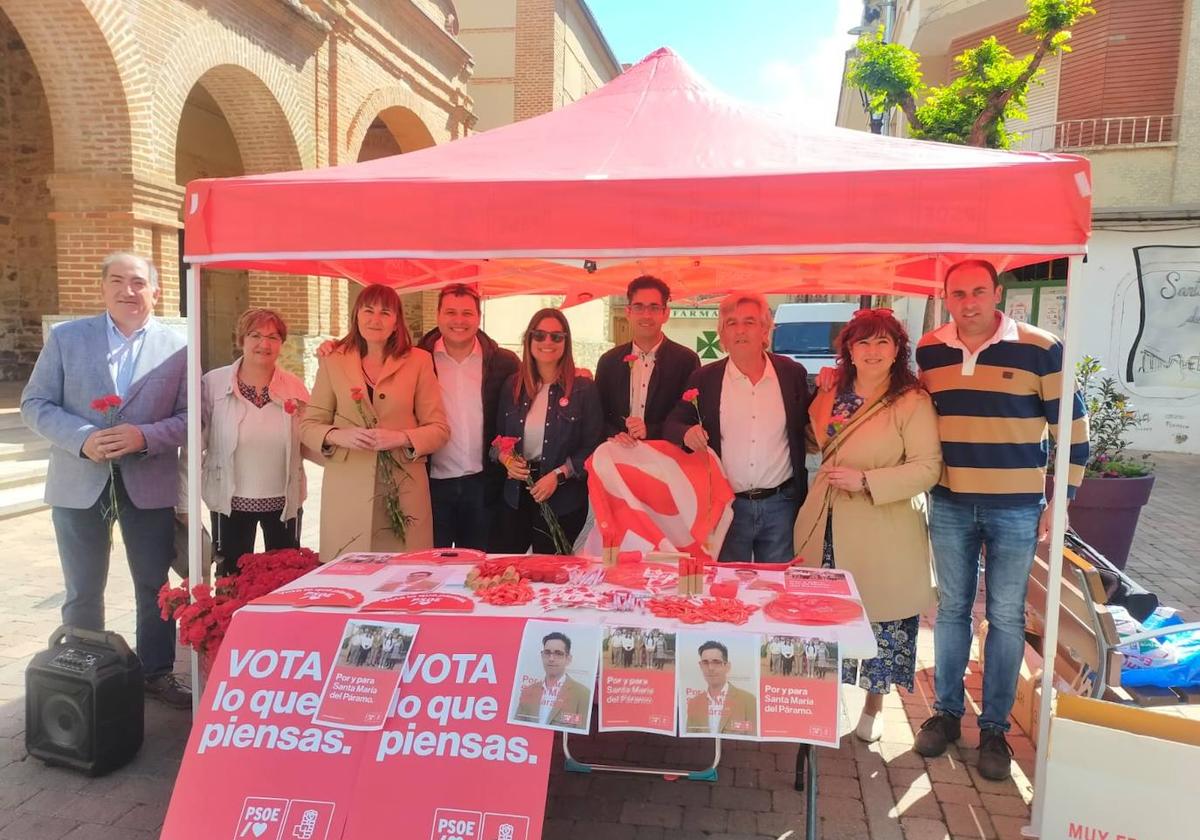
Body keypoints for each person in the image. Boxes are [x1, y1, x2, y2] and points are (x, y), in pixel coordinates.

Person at [21, 253, 190, 708]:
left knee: (154, 583)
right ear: (102, 289)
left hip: (148, 483)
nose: (127, 291)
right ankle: (83, 672)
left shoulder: (178, 348)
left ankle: (156, 672)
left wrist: (144, 436)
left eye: (138, 282)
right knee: (82, 585)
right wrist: (82, 439)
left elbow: (191, 417)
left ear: (156, 292)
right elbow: (35, 403)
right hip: (79, 483)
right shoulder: (66, 339)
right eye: (117, 281)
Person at [793, 308, 942, 743]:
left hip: (884, 524)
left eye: (883, 342)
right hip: (827, 519)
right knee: (822, 614)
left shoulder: (911, 400)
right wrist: (817, 396)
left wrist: (867, 480)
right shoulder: (832, 391)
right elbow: (812, 437)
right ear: (849, 350)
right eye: (864, 342)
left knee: (880, 617)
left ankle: (873, 706)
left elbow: (928, 467)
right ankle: (819, 699)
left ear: (898, 350)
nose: (873, 351)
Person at [301, 284, 449, 561]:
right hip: (347, 493)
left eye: (385, 312)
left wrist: (403, 437)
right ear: (356, 315)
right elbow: (309, 425)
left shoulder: (419, 361)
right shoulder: (333, 360)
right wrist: (336, 435)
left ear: (397, 321)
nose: (375, 319)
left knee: (404, 580)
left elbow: (439, 430)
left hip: (403, 493)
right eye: (368, 311)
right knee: (349, 582)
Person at [664, 292, 811, 563]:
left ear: (765, 329)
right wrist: (686, 433)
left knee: (776, 587)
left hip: (781, 504)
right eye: (731, 323)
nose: (740, 330)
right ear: (722, 333)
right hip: (727, 505)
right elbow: (672, 423)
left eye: (749, 322)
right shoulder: (705, 378)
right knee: (727, 588)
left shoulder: (792, 374)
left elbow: (811, 421)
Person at [201, 308, 314, 576]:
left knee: (285, 575)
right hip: (230, 500)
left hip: (284, 499)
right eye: (255, 335)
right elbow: (196, 441)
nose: (264, 344)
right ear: (241, 339)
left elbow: (309, 440)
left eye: (273, 337)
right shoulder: (213, 383)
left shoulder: (294, 387)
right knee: (231, 578)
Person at [416, 284, 520, 549]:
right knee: (431, 570)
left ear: (478, 317)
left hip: (483, 488)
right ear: (438, 315)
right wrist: (336, 347)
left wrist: (575, 374)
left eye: (467, 313)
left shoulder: (504, 363)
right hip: (430, 487)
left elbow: (534, 384)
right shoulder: (416, 360)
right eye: (451, 312)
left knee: (479, 571)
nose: (459, 321)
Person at [491, 308, 602, 553]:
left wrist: (559, 475)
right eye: (539, 335)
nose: (547, 342)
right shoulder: (513, 385)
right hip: (515, 497)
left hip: (563, 498)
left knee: (552, 574)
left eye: (556, 336)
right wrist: (505, 458)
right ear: (529, 340)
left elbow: (593, 449)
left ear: (566, 342)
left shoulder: (583, 389)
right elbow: (497, 441)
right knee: (511, 570)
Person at [594, 275, 700, 445]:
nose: (646, 315)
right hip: (619, 456)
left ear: (665, 313)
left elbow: (690, 416)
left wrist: (650, 431)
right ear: (628, 312)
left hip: (666, 459)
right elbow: (597, 415)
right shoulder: (609, 362)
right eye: (638, 307)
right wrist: (615, 434)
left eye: (654, 307)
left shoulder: (686, 361)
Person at [514, 631, 590, 730]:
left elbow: (580, 735)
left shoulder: (583, 694)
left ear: (568, 659)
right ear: (542, 655)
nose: (551, 658)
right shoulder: (528, 691)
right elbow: (517, 728)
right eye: (547, 652)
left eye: (558, 653)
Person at [684, 641, 757, 735]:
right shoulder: (694, 703)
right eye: (705, 662)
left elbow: (752, 738)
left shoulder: (749, 701)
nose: (710, 668)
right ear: (700, 666)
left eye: (716, 662)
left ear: (727, 666)